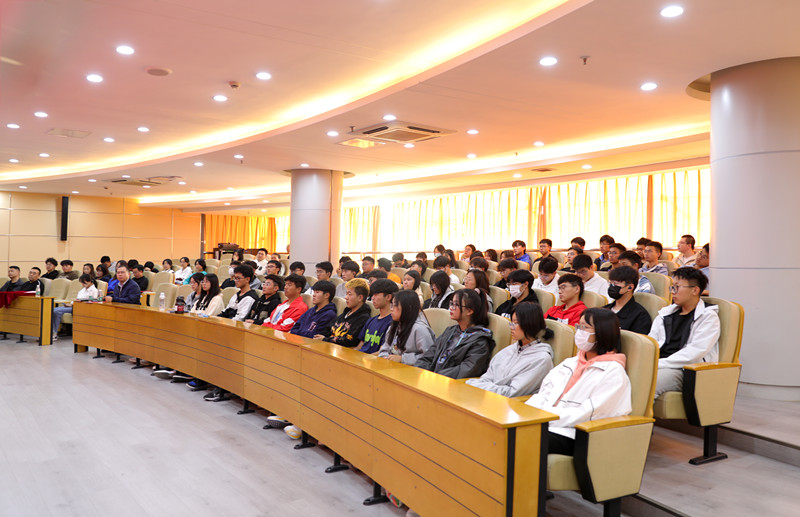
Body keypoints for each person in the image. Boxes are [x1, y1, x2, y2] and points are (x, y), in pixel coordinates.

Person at [526, 308, 632, 455]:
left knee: (525, 439)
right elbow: (544, 392)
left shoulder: (613, 372)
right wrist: (527, 414)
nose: (579, 332)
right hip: (548, 423)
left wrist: (545, 417)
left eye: (585, 327)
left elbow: (588, 413)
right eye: (578, 326)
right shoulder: (570, 363)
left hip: (575, 434)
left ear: (603, 332)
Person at [650, 267, 719, 397]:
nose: (673, 292)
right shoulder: (665, 314)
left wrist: (658, 364)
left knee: (647, 381)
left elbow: (694, 352)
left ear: (695, 290)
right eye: (672, 287)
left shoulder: (708, 316)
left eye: (677, 287)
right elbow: (651, 341)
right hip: (660, 363)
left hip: (684, 369)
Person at [468, 302, 554, 397]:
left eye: (516, 323)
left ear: (530, 324)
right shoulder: (507, 351)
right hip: (489, 397)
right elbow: (486, 378)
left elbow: (512, 393)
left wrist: (477, 385)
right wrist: (476, 385)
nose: (511, 327)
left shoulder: (541, 359)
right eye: (511, 322)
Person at [414, 289, 495, 379]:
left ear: (469, 311)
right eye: (451, 303)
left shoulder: (480, 341)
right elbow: (429, 355)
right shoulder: (450, 331)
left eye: (456, 305)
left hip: (450, 384)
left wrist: (434, 377)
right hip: (432, 379)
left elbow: (465, 370)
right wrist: (419, 371)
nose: (451, 308)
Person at [378, 290, 435, 365]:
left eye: (395, 305)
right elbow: (384, 350)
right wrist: (386, 357)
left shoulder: (420, 329)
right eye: (391, 305)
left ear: (408, 308)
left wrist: (402, 359)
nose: (391, 309)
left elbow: (428, 357)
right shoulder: (394, 326)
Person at [320, 278, 372, 347]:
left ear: (360, 298)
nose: (346, 297)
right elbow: (328, 328)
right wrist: (321, 336)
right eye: (346, 294)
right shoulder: (346, 313)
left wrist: (325, 339)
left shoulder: (363, 318)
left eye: (349, 294)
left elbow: (349, 340)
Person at [604, 266, 652, 334]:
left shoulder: (640, 316)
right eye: (610, 283)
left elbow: (638, 339)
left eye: (615, 283)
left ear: (630, 287)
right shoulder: (604, 310)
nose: (611, 286)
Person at [356, 279, 398, 353]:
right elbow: (360, 346)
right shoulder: (371, 320)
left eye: (376, 294)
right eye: (372, 295)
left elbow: (381, 352)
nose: (372, 298)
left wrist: (363, 358)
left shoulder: (392, 323)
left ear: (388, 297)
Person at [52, 274, 99, 340]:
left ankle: (54, 333)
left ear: (90, 281)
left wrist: (74, 304)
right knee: (53, 309)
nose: (83, 284)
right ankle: (52, 331)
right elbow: (77, 299)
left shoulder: (94, 290)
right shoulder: (82, 290)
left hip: (81, 308)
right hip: (74, 306)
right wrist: (70, 304)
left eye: (84, 283)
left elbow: (92, 302)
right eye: (82, 283)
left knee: (56, 311)